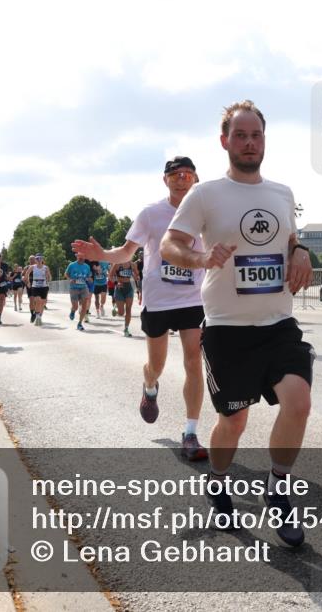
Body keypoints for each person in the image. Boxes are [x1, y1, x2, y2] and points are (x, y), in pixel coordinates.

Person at [161, 100, 314, 547]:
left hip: (278, 323)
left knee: (299, 402)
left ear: (264, 140)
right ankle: (219, 478)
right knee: (234, 422)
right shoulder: (205, 194)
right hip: (227, 328)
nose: (250, 143)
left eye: (257, 135)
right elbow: (172, 244)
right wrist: (200, 257)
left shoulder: (282, 193)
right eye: (241, 135)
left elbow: (288, 238)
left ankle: (279, 489)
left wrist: (300, 250)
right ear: (225, 140)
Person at [73, 156, 210, 461]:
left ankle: (191, 432)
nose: (181, 178)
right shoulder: (151, 214)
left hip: (192, 299)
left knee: (193, 362)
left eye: (187, 174)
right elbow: (125, 252)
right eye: (174, 174)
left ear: (196, 179)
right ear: (165, 180)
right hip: (158, 301)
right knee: (157, 365)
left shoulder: (206, 214)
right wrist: (101, 254)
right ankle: (149, 385)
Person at [65, 253, 93, 331]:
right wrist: (70, 279)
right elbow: (66, 274)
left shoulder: (87, 266)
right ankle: (73, 311)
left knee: (84, 306)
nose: (81, 258)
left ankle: (80, 323)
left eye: (82, 257)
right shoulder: (72, 265)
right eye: (79, 257)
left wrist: (89, 279)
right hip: (74, 288)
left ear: (84, 257)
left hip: (83, 287)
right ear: (77, 257)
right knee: (75, 306)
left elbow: (88, 276)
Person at [24, 255, 52, 326]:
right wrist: (28, 282)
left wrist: (47, 276)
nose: (39, 260)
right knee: (38, 300)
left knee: (42, 303)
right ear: (35, 260)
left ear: (42, 259)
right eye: (37, 259)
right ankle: (37, 317)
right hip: (35, 286)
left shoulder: (46, 267)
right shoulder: (32, 267)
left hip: (44, 286)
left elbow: (50, 277)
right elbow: (26, 274)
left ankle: (39, 316)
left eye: (40, 258)